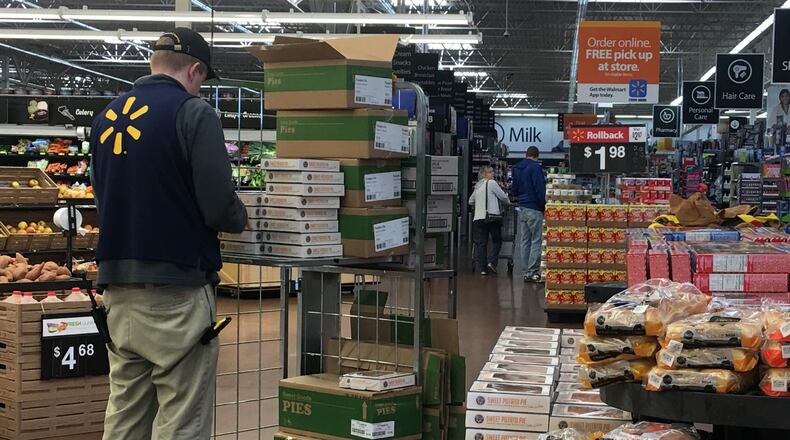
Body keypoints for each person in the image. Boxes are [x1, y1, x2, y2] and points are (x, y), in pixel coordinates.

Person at [90, 28, 247, 440]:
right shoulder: (194, 113)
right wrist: (242, 217)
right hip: (176, 291)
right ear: (195, 70)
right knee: (181, 418)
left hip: (117, 291)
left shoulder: (107, 115)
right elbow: (218, 205)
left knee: (125, 413)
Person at [513, 146, 546, 283]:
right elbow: (540, 188)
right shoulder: (535, 168)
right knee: (536, 240)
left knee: (525, 241)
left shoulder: (517, 168)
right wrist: (543, 206)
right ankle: (532, 272)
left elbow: (514, 188)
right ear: (536, 156)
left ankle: (526, 271)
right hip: (534, 207)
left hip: (522, 207)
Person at [469, 166, 510, 275]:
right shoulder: (491, 183)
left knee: (481, 244)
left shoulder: (478, 186)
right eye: (490, 172)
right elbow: (503, 197)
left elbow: (470, 201)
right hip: (492, 217)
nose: (493, 174)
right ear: (484, 174)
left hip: (478, 218)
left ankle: (483, 269)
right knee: (497, 240)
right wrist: (507, 203)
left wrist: (480, 204)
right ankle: (492, 262)